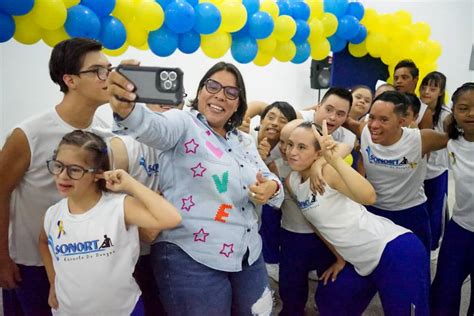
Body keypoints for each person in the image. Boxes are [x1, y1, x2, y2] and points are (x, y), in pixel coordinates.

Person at [107, 61, 283, 315]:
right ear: (200, 91)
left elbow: (268, 177)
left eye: (231, 92)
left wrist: (271, 187)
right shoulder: (182, 123)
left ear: (238, 103)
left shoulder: (243, 140)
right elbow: (152, 126)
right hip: (191, 253)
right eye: (213, 86)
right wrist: (126, 109)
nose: (220, 95)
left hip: (248, 252)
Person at [0, 37, 112, 316]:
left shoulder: (103, 132)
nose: (107, 77)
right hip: (31, 264)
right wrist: (2, 257)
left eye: (109, 69)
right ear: (70, 80)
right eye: (97, 71)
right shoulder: (29, 134)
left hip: (83, 259)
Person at [286, 120, 430, 316]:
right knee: (329, 300)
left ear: (318, 153)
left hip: (393, 249)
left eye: (302, 147)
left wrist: (333, 160)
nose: (292, 151)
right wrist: (339, 258)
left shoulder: (327, 172)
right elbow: (316, 224)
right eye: (290, 144)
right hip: (359, 262)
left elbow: (369, 197)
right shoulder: (292, 182)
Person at [38, 130, 181, 315]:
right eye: (58, 166)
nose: (63, 176)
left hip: (124, 310)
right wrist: (53, 282)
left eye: (74, 170)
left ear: (97, 173)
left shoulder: (119, 206)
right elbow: (43, 242)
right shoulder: (52, 214)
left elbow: (172, 218)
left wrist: (130, 184)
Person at [344, 91, 449, 253]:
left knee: (414, 264)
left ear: (401, 122)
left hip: (411, 213)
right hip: (374, 211)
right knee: (376, 263)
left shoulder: (420, 139)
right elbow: (345, 120)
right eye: (372, 117)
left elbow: (455, 137)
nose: (374, 125)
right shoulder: (365, 130)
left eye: (384, 120)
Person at [110, 101, 185, 316]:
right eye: (159, 97)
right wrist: (142, 228)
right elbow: (105, 202)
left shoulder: (186, 143)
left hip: (180, 250)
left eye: (176, 98)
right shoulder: (123, 145)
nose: (167, 104)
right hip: (137, 255)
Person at [271, 119, 335, 316]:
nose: (288, 150)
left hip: (323, 235)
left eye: (300, 146)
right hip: (292, 235)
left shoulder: (324, 169)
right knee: (291, 286)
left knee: (329, 279)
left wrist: (320, 164)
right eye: (285, 142)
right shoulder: (278, 166)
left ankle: (325, 306)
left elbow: (344, 148)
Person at [239, 101, 297, 281]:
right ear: (261, 121)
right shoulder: (246, 139)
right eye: (270, 118)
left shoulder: (286, 149)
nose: (274, 123)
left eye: (282, 120)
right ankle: (269, 259)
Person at [431, 83, 474, 316]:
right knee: (444, 289)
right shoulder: (452, 143)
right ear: (454, 112)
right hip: (461, 229)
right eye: (464, 108)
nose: (471, 114)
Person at [419, 71, 451, 254]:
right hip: (416, 172)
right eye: (424, 87)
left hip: (437, 173)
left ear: (440, 91)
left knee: (435, 211)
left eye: (433, 88)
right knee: (419, 211)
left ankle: (432, 248)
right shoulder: (415, 109)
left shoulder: (446, 116)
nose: (427, 91)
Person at [393, 59, 432, 129]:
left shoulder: (424, 111)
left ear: (415, 80)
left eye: (404, 78)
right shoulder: (387, 103)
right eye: (396, 78)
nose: (398, 81)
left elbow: (426, 138)